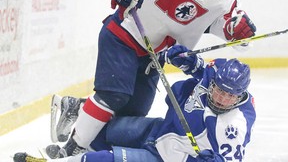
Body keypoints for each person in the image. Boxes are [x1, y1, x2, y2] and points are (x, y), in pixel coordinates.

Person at [40, 0, 257, 158]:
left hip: (154, 56)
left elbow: (231, 34)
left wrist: (239, 34)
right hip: (124, 34)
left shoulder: (227, 0)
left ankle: (78, 108)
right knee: (114, 96)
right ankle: (74, 147)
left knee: (132, 113)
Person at [13, 48, 256, 162]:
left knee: (103, 160)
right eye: (219, 90)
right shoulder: (219, 72)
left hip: (169, 158)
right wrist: (184, 60)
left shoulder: (234, 126)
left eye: (229, 96)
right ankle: (78, 115)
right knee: (102, 131)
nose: (221, 98)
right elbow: (200, 67)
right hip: (161, 130)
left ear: (239, 96)